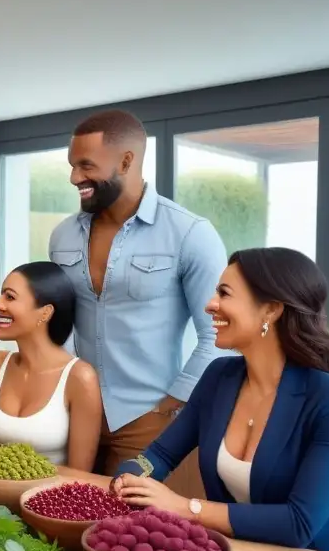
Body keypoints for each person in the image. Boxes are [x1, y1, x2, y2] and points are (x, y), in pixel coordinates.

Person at [112, 249, 329, 551]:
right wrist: (131, 478)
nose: (210, 304)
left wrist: (187, 508)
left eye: (224, 293)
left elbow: (298, 523)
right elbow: (160, 455)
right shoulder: (219, 377)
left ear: (270, 310)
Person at [49, 109, 228, 475]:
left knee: (126, 528)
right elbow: (59, 322)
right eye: (71, 165)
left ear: (126, 161)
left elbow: (218, 334)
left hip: (146, 418)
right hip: (73, 410)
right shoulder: (62, 235)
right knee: (63, 514)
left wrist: (172, 403)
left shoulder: (190, 233)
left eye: (85, 165)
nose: (74, 177)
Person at [0, 262, 102, 470]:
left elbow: (79, 477)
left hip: (50, 499)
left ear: (45, 312)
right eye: (1, 295)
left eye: (10, 297)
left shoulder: (79, 377)